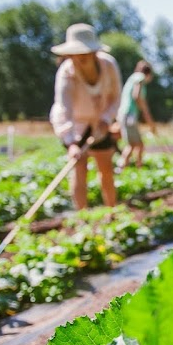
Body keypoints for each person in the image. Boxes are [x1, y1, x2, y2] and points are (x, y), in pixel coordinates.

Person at [49, 23, 122, 210]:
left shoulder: (109, 65)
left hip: (101, 123)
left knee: (105, 169)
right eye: (75, 54)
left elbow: (116, 97)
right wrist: (71, 142)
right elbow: (62, 108)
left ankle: (111, 213)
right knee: (79, 169)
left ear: (94, 53)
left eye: (84, 53)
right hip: (76, 126)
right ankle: (83, 218)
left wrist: (107, 120)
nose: (79, 58)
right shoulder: (66, 73)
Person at [116, 60, 157, 171]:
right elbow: (136, 95)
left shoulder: (133, 78)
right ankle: (133, 168)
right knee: (136, 144)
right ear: (148, 73)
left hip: (125, 114)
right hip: (129, 115)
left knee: (135, 144)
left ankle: (129, 167)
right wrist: (146, 112)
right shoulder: (139, 77)